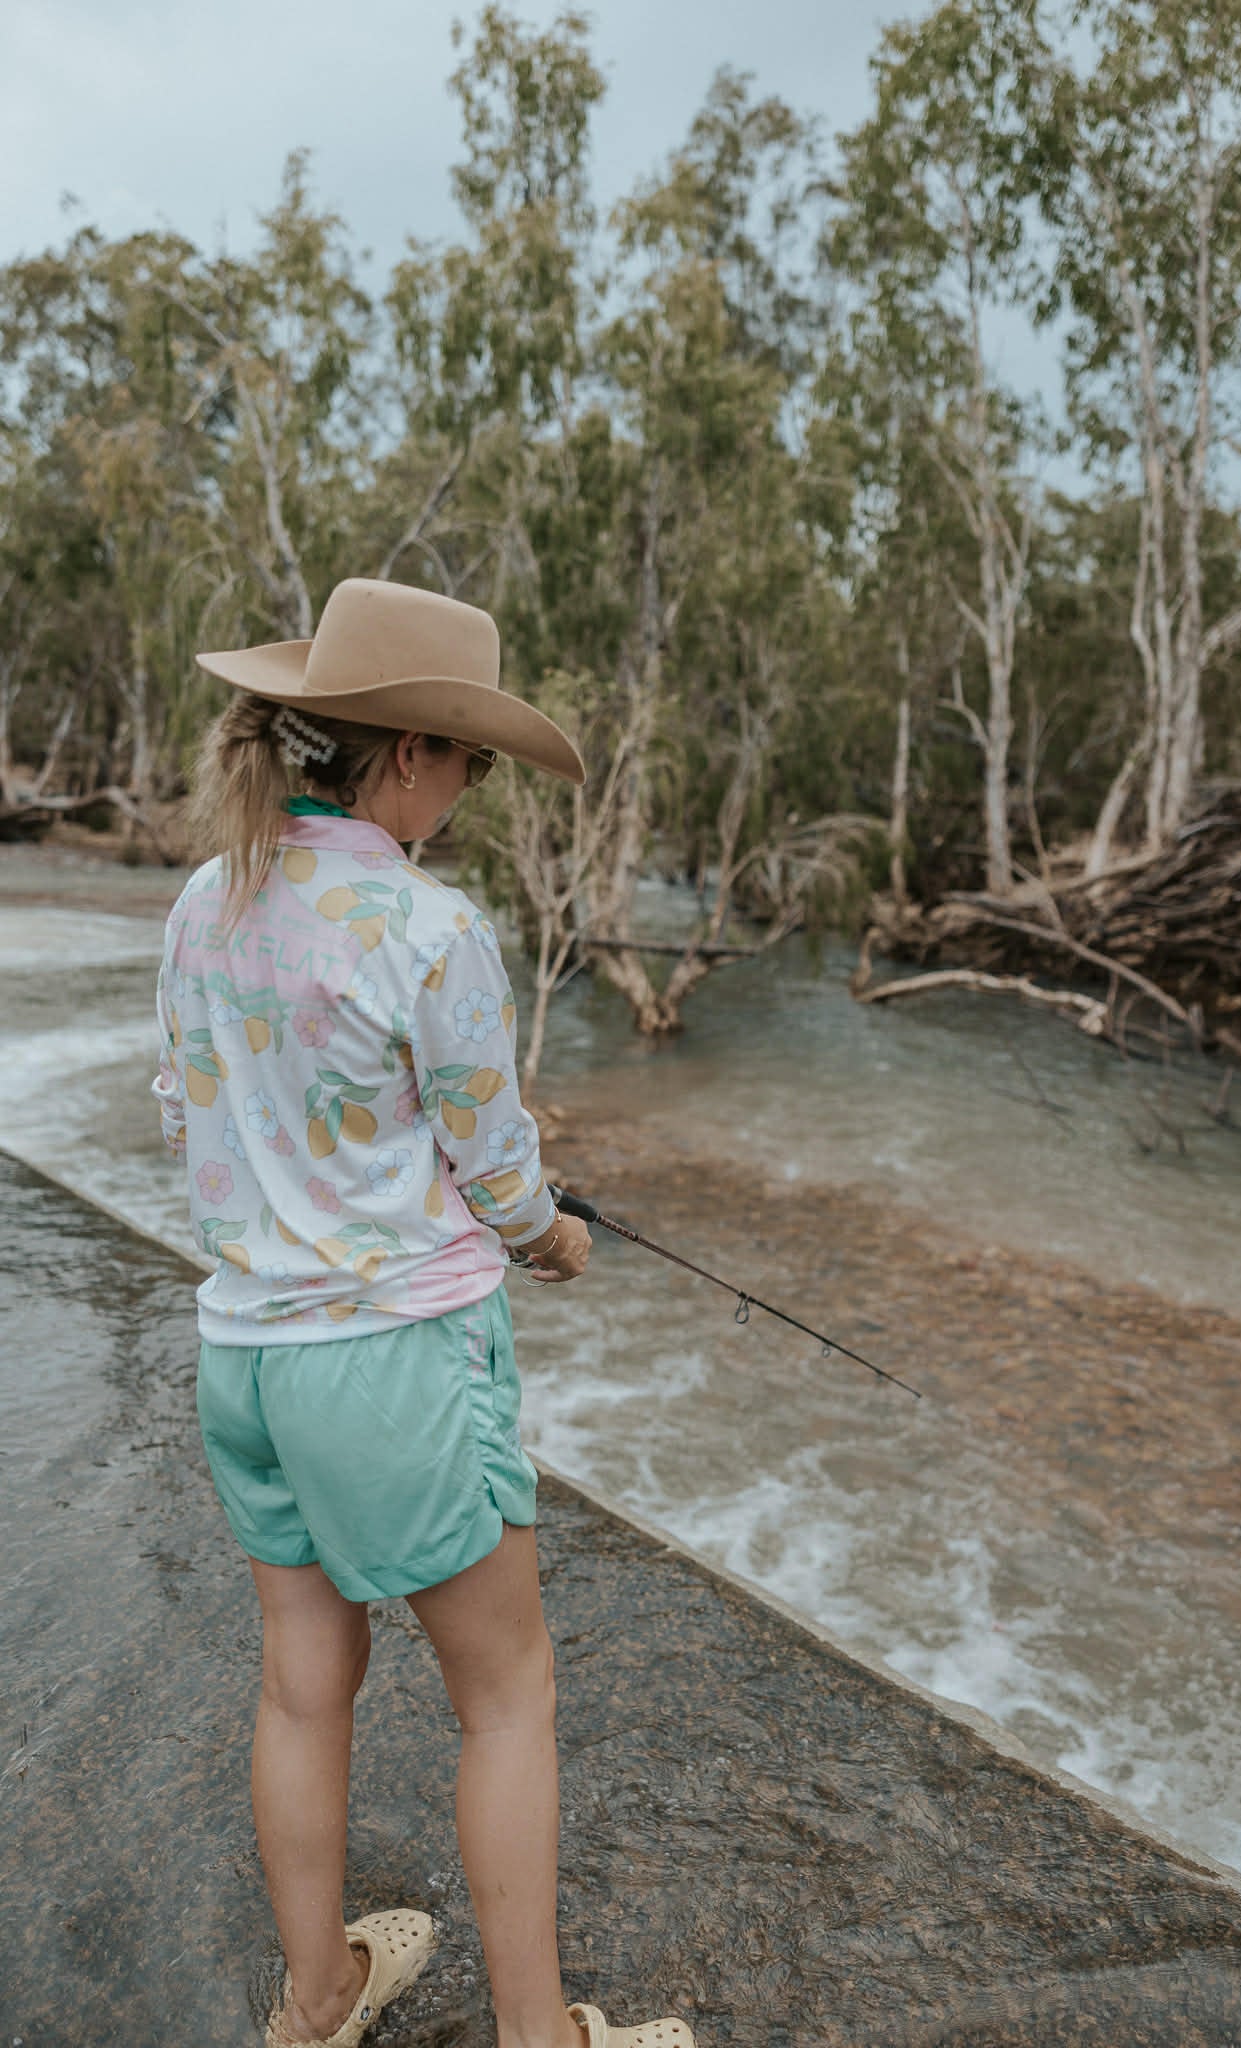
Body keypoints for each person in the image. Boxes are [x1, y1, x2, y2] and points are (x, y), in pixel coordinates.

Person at [152, 578, 695, 2048]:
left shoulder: (211, 897)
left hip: (245, 1360)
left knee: (302, 1685)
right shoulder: (425, 922)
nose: (467, 786)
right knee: (509, 1696)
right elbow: (495, 1163)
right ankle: (540, 2038)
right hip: (388, 1366)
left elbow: (189, 1111)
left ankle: (318, 1998)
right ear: (403, 756)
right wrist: (551, 1242)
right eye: (465, 757)